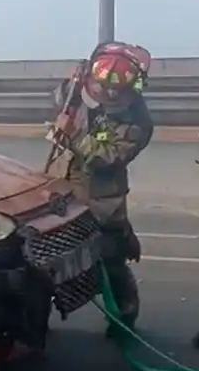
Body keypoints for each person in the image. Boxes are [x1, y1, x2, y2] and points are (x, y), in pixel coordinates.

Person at [49, 43, 154, 333]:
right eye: (100, 86)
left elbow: (107, 157)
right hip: (63, 189)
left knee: (110, 259)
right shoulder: (82, 95)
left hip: (103, 200)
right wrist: (71, 84)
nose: (105, 94)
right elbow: (59, 99)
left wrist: (72, 136)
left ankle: (124, 317)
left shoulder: (137, 121)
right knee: (48, 257)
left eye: (114, 91)